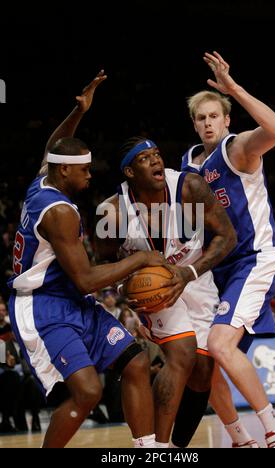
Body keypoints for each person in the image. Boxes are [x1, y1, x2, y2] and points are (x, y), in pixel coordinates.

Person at [7, 71, 169, 448]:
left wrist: (78, 112)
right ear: (65, 170)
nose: (89, 176)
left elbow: (53, 146)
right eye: (84, 170)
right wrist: (143, 257)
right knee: (88, 392)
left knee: (136, 361)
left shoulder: (42, 181)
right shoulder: (59, 212)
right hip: (43, 307)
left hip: (71, 300)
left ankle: (147, 450)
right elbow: (86, 279)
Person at [175, 51, 275, 448]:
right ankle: (241, 439)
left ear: (226, 120)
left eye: (214, 115)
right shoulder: (188, 168)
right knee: (203, 365)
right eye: (201, 118)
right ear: (193, 124)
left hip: (255, 259)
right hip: (220, 272)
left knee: (218, 344)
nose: (208, 122)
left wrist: (233, 89)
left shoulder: (237, 149)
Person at [95, 135, 236, 447]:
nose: (156, 160)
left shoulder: (190, 188)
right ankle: (157, 448)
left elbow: (227, 236)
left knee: (202, 369)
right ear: (129, 172)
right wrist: (124, 288)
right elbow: (101, 262)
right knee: (182, 353)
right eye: (145, 159)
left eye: (157, 154)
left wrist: (189, 272)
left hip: (195, 276)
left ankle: (176, 448)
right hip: (153, 287)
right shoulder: (113, 211)